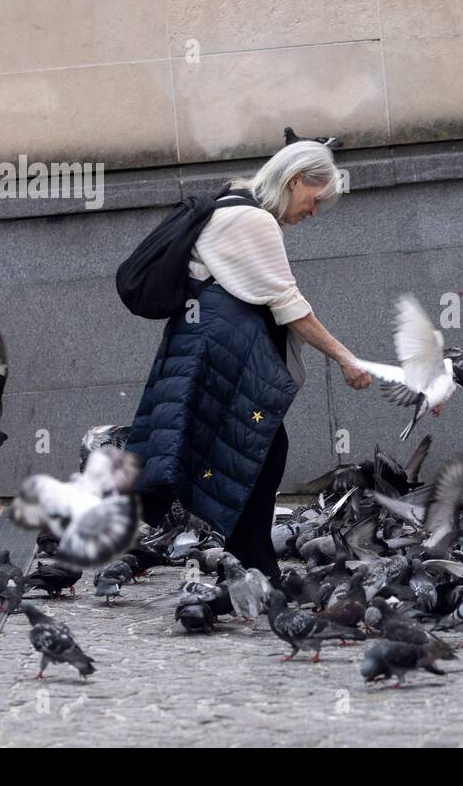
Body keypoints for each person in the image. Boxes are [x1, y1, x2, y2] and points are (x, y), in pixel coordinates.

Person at [126, 141, 371, 579]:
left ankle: (247, 563)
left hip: (205, 352)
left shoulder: (234, 201)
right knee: (257, 449)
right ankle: (253, 565)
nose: (313, 212)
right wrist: (345, 358)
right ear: (295, 181)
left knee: (250, 450)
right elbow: (289, 303)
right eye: (314, 201)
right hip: (219, 356)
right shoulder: (253, 219)